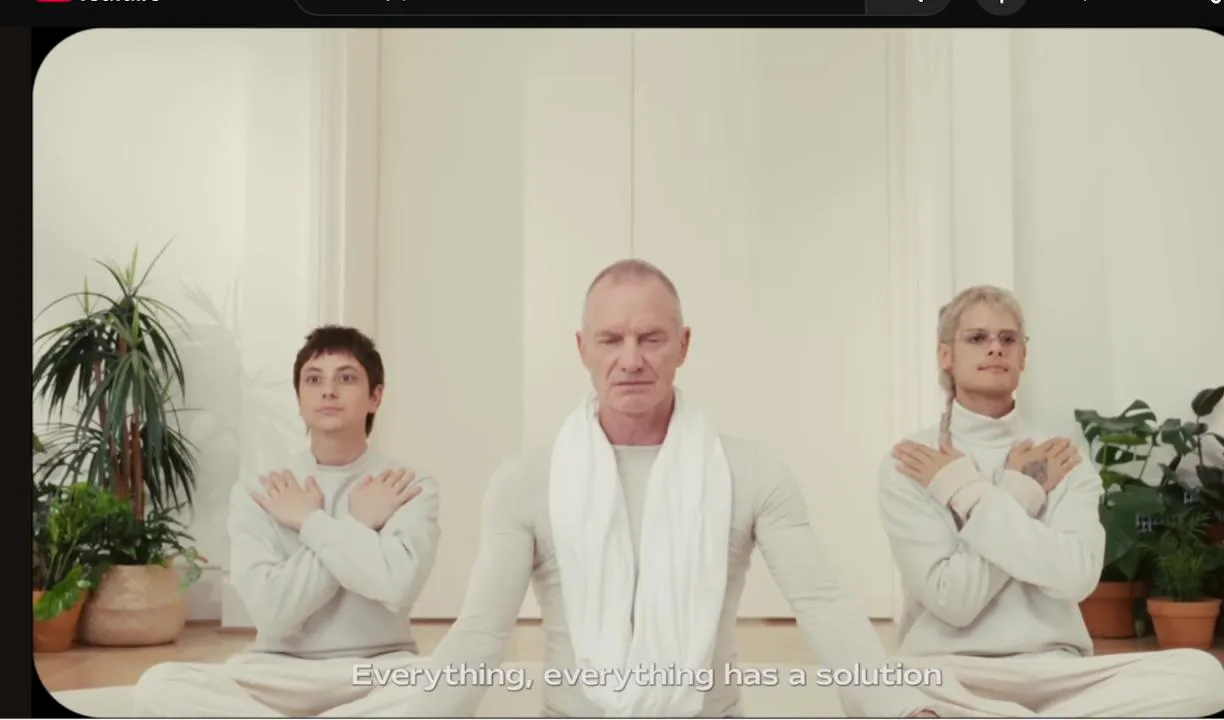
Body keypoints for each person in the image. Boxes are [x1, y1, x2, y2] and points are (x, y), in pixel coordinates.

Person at [396, 259, 938, 718]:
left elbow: (822, 604)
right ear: (583, 348)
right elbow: (483, 632)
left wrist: (901, 708)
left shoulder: (751, 470)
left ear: (683, 345)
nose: (631, 360)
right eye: (611, 340)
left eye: (651, 339)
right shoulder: (525, 481)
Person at [878, 284, 1224, 718]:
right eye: (977, 338)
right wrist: (1019, 492)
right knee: (865, 681)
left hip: (1054, 671)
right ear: (945, 355)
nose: (995, 348)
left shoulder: (1061, 458)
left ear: (1023, 356)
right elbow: (954, 601)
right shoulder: (914, 462)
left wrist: (969, 493)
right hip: (946, 670)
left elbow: (1076, 578)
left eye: (1008, 339)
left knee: (1203, 675)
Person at [133, 325, 442, 717]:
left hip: (380, 669)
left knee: (452, 682)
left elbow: (396, 587)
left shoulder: (405, 485)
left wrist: (311, 521)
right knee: (160, 685)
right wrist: (356, 524)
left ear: (375, 397)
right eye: (314, 380)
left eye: (346, 378)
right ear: (299, 398)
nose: (328, 391)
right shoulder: (262, 490)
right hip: (278, 672)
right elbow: (273, 614)